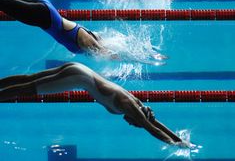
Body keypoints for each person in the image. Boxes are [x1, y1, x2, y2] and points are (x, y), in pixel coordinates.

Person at [0, 61, 191, 147]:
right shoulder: (130, 107)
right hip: (76, 78)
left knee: (28, 79)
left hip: (79, 68)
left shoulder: (137, 104)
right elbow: (151, 128)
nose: (132, 124)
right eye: (135, 123)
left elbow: (154, 123)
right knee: (26, 89)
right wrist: (177, 146)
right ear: (138, 117)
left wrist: (179, 139)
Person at [0, 0, 112, 56]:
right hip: (44, 16)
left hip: (46, 12)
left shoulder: (90, 38)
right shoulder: (87, 42)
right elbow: (105, 53)